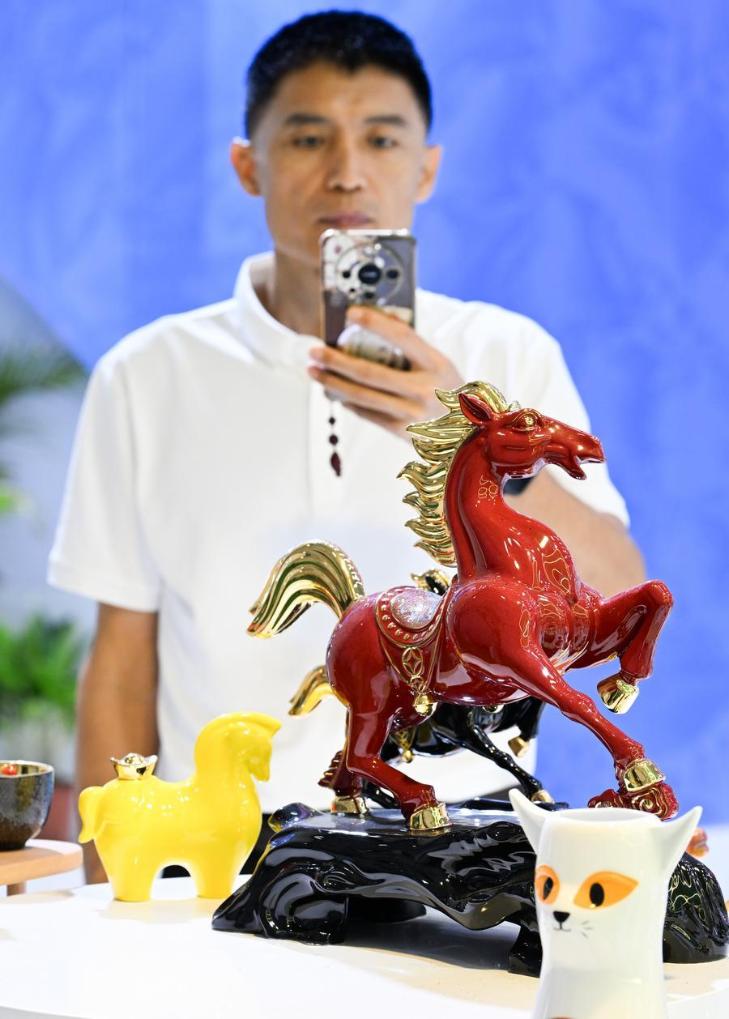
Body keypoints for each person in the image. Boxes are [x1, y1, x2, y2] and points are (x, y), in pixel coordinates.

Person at [49, 11, 644, 882]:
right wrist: (116, 893)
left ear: (426, 168)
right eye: (306, 137)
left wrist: (459, 435)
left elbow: (617, 578)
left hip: (467, 836)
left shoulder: (506, 353)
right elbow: (121, 657)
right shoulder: (145, 373)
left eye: (381, 138)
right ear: (247, 164)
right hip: (216, 850)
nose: (346, 171)